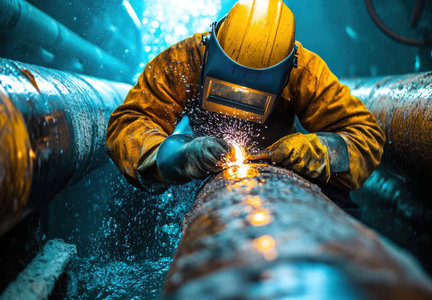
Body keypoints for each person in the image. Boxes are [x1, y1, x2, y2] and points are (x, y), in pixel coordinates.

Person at [106, 0, 385, 208]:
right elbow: (129, 123)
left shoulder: (304, 73)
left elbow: (365, 136)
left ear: (284, 73)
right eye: (225, 90)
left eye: (253, 97)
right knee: (137, 190)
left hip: (283, 170)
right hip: (196, 171)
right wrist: (176, 156)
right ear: (211, 52)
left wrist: (318, 152)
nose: (238, 105)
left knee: (338, 206)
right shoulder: (186, 60)